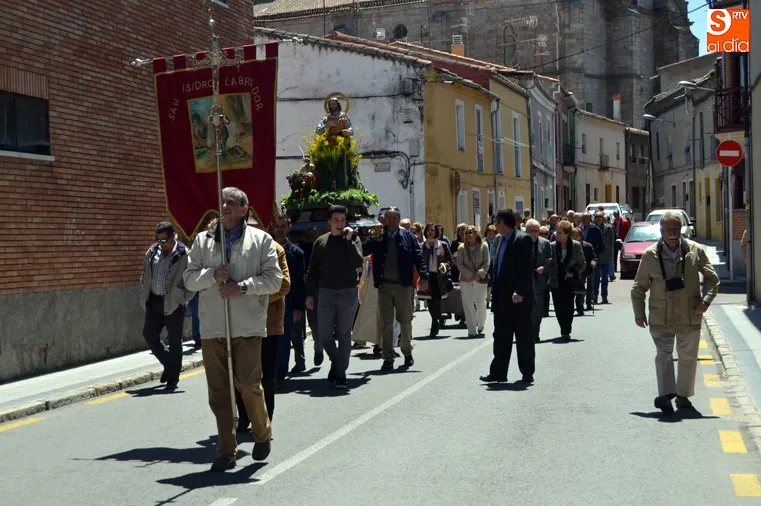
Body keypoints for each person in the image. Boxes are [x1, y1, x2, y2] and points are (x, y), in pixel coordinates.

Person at [183, 187, 282, 471]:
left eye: (231, 202)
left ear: (244, 209)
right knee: (219, 392)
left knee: (248, 385)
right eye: (221, 202)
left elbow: (274, 280)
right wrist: (212, 274)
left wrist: (242, 287)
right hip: (213, 327)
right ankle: (226, 451)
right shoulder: (202, 241)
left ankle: (262, 433)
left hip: (247, 326)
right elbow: (189, 279)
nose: (224, 206)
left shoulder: (261, 240)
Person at [631, 211, 720, 415]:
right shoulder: (650, 255)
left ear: (682, 229)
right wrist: (639, 313)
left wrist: (706, 301)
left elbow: (712, 279)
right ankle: (666, 396)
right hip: (660, 316)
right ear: (661, 230)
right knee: (664, 355)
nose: (672, 232)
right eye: (668, 228)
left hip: (689, 314)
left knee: (688, 357)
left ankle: (683, 395)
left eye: (676, 228)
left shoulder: (695, 251)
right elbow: (638, 288)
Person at [236, 213, 290, 430]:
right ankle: (244, 416)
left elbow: (284, 285)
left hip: (269, 324)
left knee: (266, 374)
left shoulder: (275, 249)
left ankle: (266, 418)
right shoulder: (235, 251)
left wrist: (253, 294)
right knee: (241, 374)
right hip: (241, 321)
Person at [362, 208, 429, 370]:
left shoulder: (408, 236)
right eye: (388, 218)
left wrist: (424, 276)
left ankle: (407, 352)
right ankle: (388, 357)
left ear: (399, 219)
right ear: (384, 220)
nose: (391, 221)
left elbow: (418, 256)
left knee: (405, 321)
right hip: (384, 285)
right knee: (386, 323)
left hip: (403, 286)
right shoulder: (379, 236)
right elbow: (364, 250)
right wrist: (373, 238)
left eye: (394, 218)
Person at [305, 205, 364, 389]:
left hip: (348, 291)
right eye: (336, 220)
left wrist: (349, 241)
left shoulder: (353, 239)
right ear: (329, 221)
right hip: (326, 292)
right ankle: (337, 362)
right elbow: (312, 269)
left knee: (344, 334)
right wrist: (309, 293)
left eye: (342, 220)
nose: (339, 224)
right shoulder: (321, 242)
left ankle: (340, 374)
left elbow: (358, 262)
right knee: (324, 335)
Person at [479, 209, 536, 384]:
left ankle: (527, 372)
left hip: (518, 298)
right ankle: (498, 373)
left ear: (502, 223)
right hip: (501, 298)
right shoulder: (500, 240)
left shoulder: (523, 239)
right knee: (501, 337)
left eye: (495, 221)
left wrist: (520, 291)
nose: (494, 225)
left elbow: (526, 269)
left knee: (523, 336)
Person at [140, 221, 192, 390]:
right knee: (149, 334)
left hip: (173, 302)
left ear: (173, 236)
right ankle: (170, 365)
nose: (160, 243)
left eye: (163, 240)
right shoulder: (152, 251)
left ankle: (172, 379)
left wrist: (182, 299)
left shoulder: (184, 254)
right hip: (154, 300)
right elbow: (145, 273)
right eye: (157, 239)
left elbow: (191, 281)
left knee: (175, 341)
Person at [271, 215, 307, 378]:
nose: (279, 230)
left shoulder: (297, 253)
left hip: (288, 301)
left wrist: (298, 307)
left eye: (283, 226)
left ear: (289, 228)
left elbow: (299, 282)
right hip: (268, 301)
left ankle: (280, 375)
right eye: (277, 226)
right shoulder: (264, 249)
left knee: (285, 339)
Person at [547, 220, 586, 341]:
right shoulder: (552, 246)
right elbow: (547, 263)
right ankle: (563, 327)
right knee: (558, 307)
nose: (558, 235)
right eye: (557, 232)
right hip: (556, 281)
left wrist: (572, 273)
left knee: (568, 306)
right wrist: (548, 263)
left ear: (568, 233)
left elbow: (582, 264)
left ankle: (566, 330)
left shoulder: (576, 246)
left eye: (561, 233)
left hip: (570, 282)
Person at [418, 223, 453, 337]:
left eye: (432, 230)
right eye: (428, 230)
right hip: (426, 277)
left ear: (436, 232)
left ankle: (435, 321)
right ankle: (435, 319)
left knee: (437, 299)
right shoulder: (421, 246)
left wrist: (444, 266)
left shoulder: (443, 245)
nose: (430, 232)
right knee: (429, 300)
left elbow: (450, 261)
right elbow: (418, 261)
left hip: (439, 277)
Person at [456, 225, 490, 338]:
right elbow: (459, 264)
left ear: (476, 234)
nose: (468, 235)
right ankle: (471, 330)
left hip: (480, 279)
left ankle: (480, 324)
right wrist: (469, 274)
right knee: (468, 304)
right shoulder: (461, 248)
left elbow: (487, 262)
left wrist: (480, 273)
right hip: (465, 279)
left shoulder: (484, 246)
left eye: (471, 232)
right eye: (466, 233)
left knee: (481, 303)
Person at [524, 219, 552, 343]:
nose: (534, 233)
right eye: (531, 231)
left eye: (536, 230)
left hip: (539, 281)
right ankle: (526, 334)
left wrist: (544, 268)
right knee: (525, 311)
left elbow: (550, 261)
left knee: (538, 311)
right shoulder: (520, 243)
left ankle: (535, 333)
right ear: (526, 231)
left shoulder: (545, 243)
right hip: (525, 282)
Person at [571, 227, 597, 316]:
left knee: (580, 291)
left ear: (581, 236)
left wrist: (593, 263)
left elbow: (594, 257)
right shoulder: (569, 245)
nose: (575, 237)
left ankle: (580, 308)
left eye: (576, 235)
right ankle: (570, 308)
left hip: (583, 272)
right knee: (571, 291)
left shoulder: (587, 246)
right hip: (571, 272)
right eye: (573, 235)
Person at [592, 211, 614, 304]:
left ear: (603, 218)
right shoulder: (592, 228)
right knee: (596, 278)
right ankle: (595, 296)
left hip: (606, 257)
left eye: (600, 217)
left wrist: (608, 251)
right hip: (596, 257)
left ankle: (604, 296)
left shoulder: (608, 228)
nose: (598, 218)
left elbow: (612, 242)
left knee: (605, 278)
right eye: (597, 216)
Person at [611, 210, 630, 280]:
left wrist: (626, 240)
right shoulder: (613, 222)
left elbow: (628, 231)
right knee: (614, 255)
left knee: (623, 255)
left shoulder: (625, 222)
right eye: (614, 215)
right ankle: (614, 268)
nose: (615, 216)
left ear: (618, 214)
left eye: (616, 214)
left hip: (623, 240)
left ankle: (623, 268)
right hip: (615, 240)